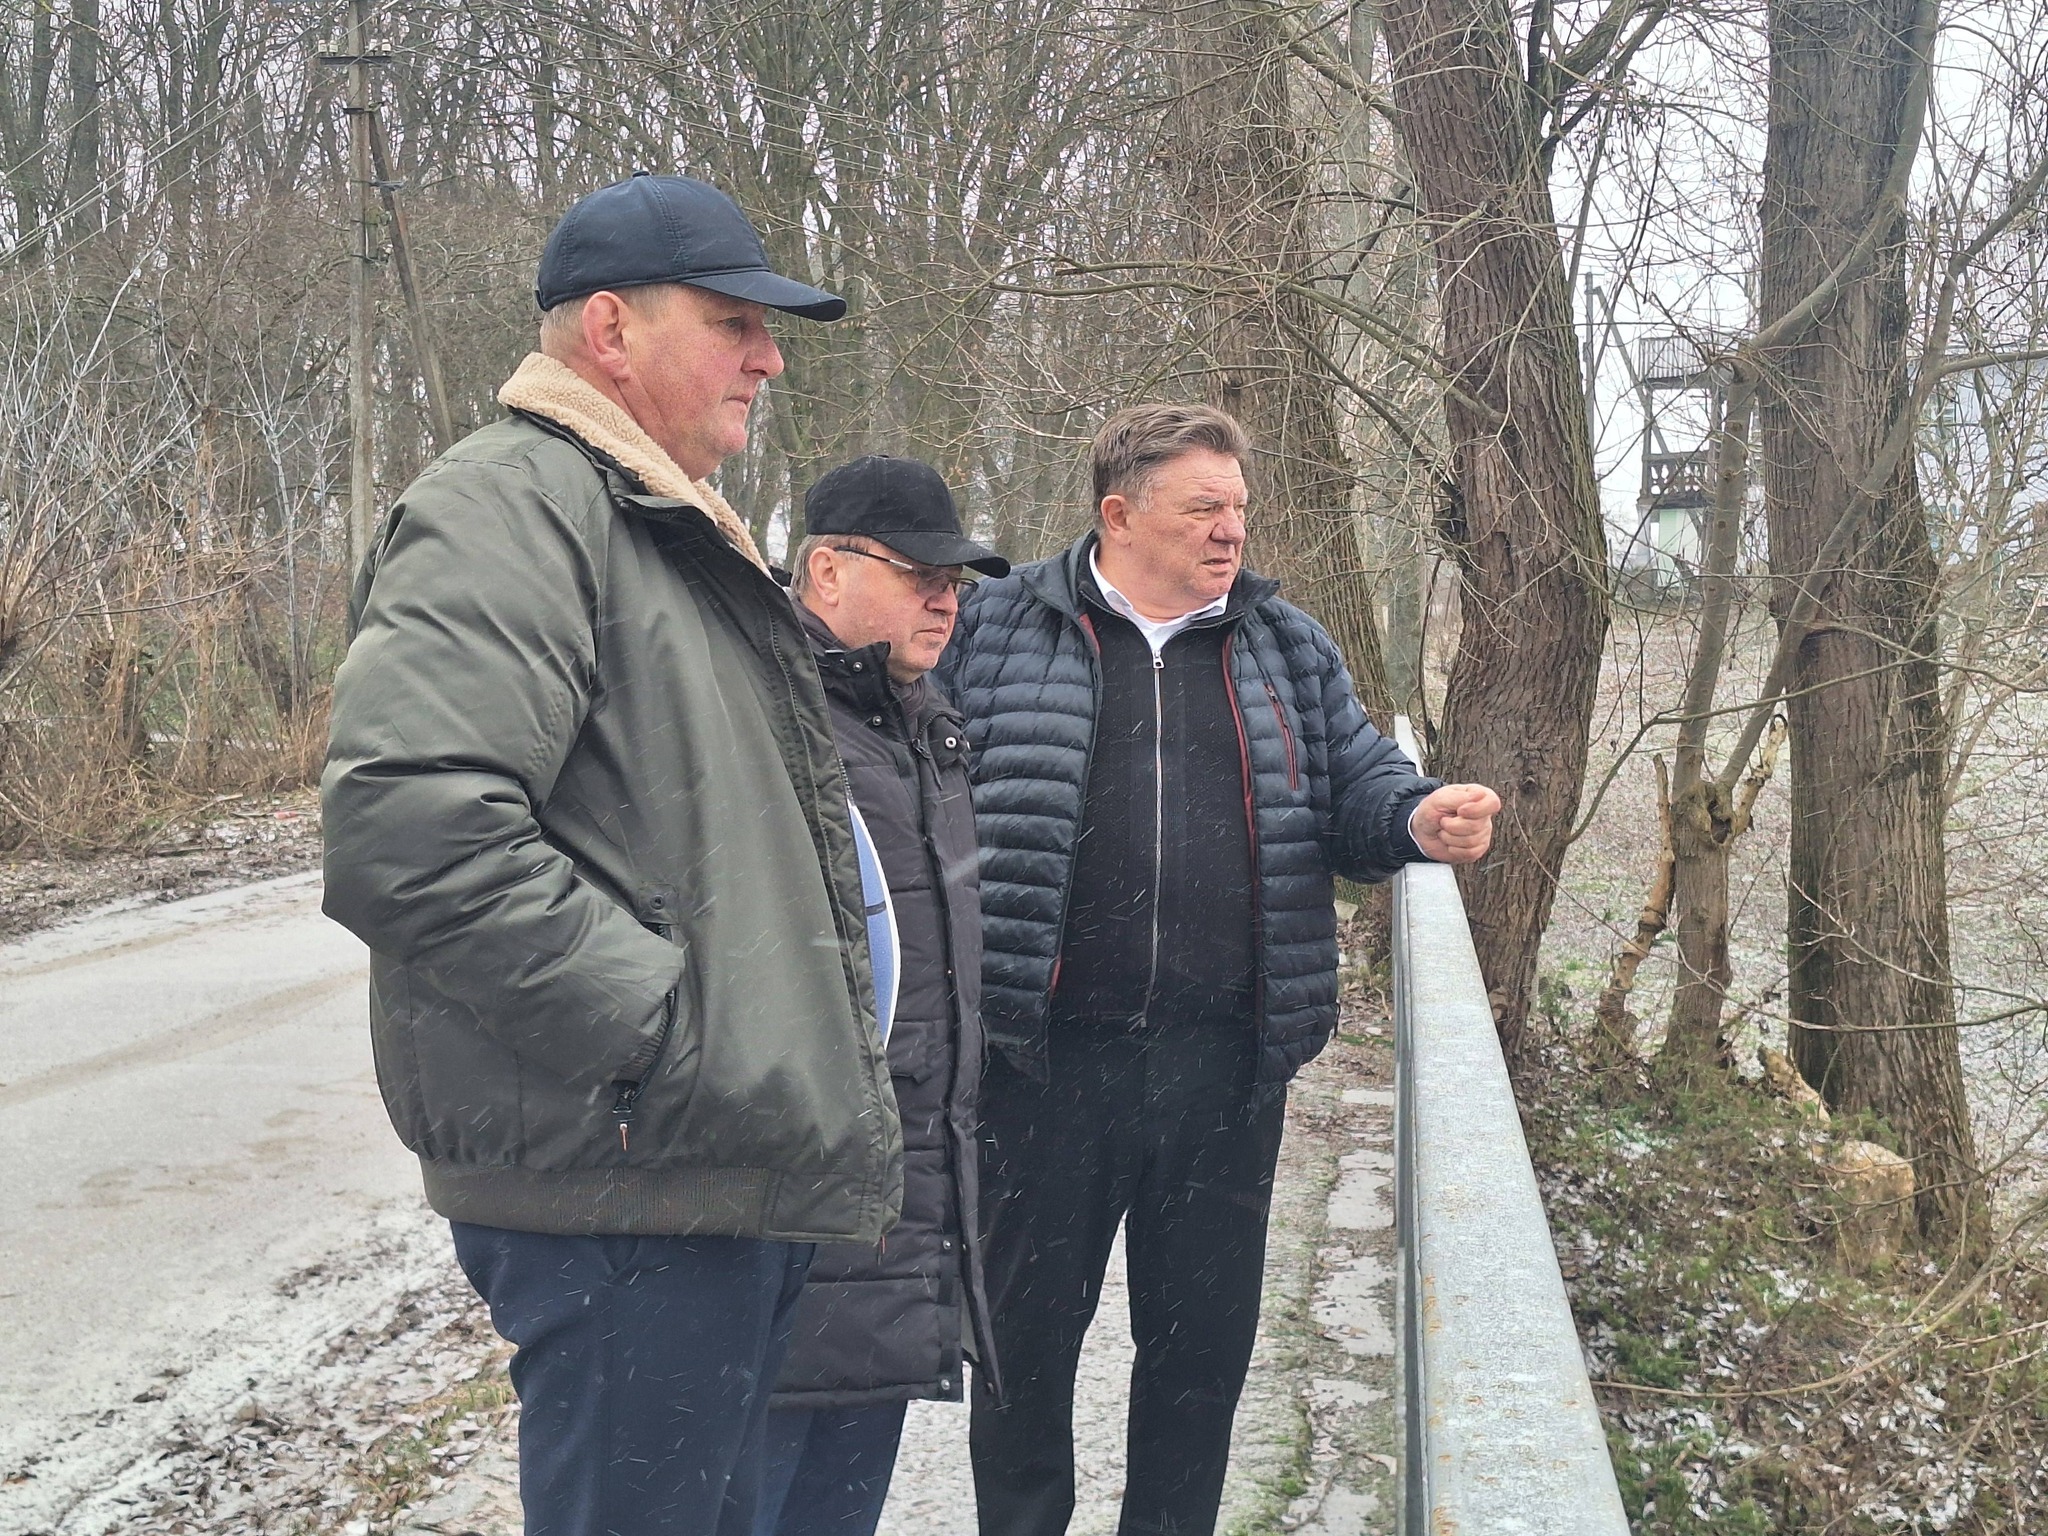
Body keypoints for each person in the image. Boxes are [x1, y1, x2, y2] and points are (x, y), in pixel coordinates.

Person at [320, 173, 903, 1536]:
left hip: (695, 1174)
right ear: (610, 330)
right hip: (632, 1187)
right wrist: (669, 1032)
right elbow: (410, 827)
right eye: (731, 320)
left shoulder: (659, 522)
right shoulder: (512, 506)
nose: (768, 355)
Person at [939, 403, 1500, 1536]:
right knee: (1022, 1359)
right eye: (1202, 508)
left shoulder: (1283, 643)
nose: (1228, 531)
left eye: (1237, 507)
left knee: (1197, 1366)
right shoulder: (994, 628)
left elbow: (1356, 787)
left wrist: (1417, 818)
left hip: (1222, 1077)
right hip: (1039, 1070)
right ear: (1116, 514)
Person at [750, 456, 1009, 1536]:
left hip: (895, 1223)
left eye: (954, 579)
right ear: (825, 571)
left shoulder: (915, 719)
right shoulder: (770, 719)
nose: (944, 599)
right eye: (916, 573)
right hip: (791, 1226)